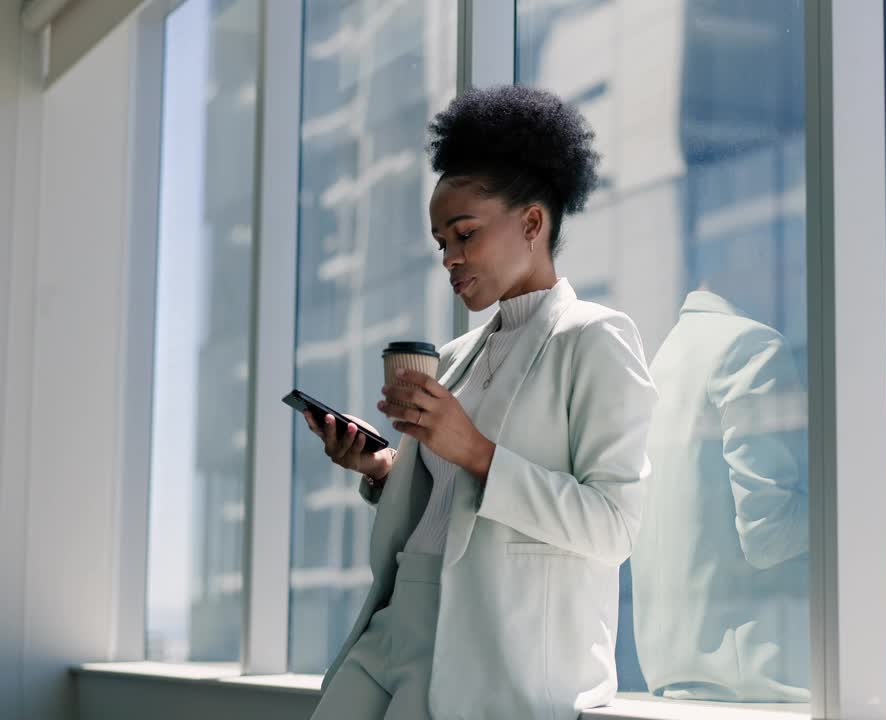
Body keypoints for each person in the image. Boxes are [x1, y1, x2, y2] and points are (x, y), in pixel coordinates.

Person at [302, 85, 658, 720]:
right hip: (397, 625)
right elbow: (448, 503)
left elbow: (614, 527)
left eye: (464, 233)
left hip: (494, 651)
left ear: (531, 223)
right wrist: (383, 472)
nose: (451, 258)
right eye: (442, 242)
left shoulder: (595, 339)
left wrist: (475, 451)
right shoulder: (458, 353)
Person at [630, 280, 809, 703]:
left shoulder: (664, 358)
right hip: (759, 684)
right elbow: (768, 534)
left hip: (679, 680)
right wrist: (862, 505)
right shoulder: (752, 345)